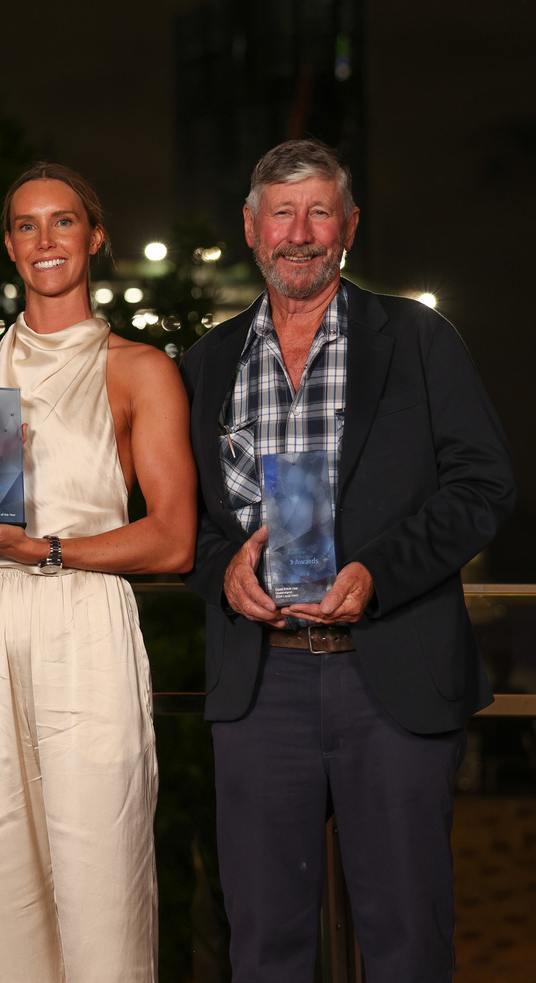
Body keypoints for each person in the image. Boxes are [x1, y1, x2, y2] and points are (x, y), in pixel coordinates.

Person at [180, 138, 516, 981]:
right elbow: (180, 519)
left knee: (406, 940)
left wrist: (379, 572)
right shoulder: (205, 362)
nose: (301, 232)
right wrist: (223, 571)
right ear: (252, 230)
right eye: (281, 213)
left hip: (390, 677)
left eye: (319, 211)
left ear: (350, 226)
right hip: (261, 686)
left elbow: (484, 484)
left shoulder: (416, 336)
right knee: (264, 946)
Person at [0, 163, 196, 981]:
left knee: (102, 872)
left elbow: (174, 540)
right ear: (9, 245)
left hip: (85, 614)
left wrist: (46, 550)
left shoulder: (138, 368)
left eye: (64, 222)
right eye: (27, 225)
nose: (46, 240)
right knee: (2, 870)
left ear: (95, 235)